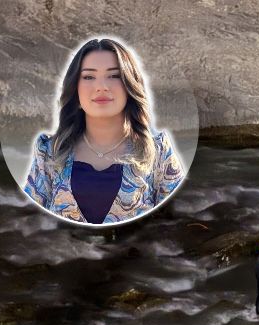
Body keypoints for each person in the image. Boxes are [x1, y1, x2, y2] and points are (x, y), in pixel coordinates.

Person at [23, 38, 184, 224]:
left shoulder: (158, 152)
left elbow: (178, 225)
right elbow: (28, 224)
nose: (101, 86)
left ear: (129, 84)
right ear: (75, 89)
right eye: (89, 77)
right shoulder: (49, 151)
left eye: (114, 76)